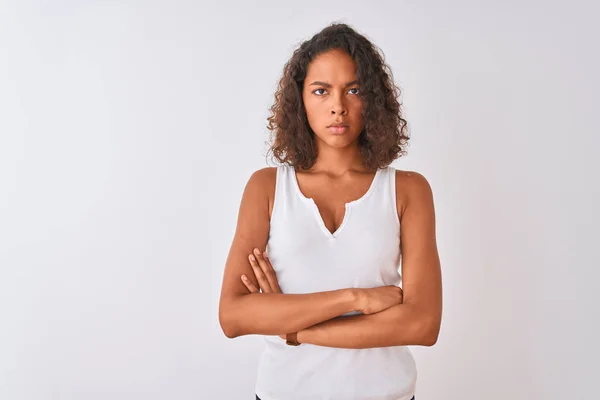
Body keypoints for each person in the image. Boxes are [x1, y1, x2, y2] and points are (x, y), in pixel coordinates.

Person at [218, 22, 442, 400]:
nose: (338, 106)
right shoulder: (267, 188)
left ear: (371, 99)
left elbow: (422, 324)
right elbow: (233, 316)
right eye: (321, 91)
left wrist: (293, 327)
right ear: (300, 99)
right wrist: (355, 299)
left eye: (353, 90)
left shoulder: (408, 190)